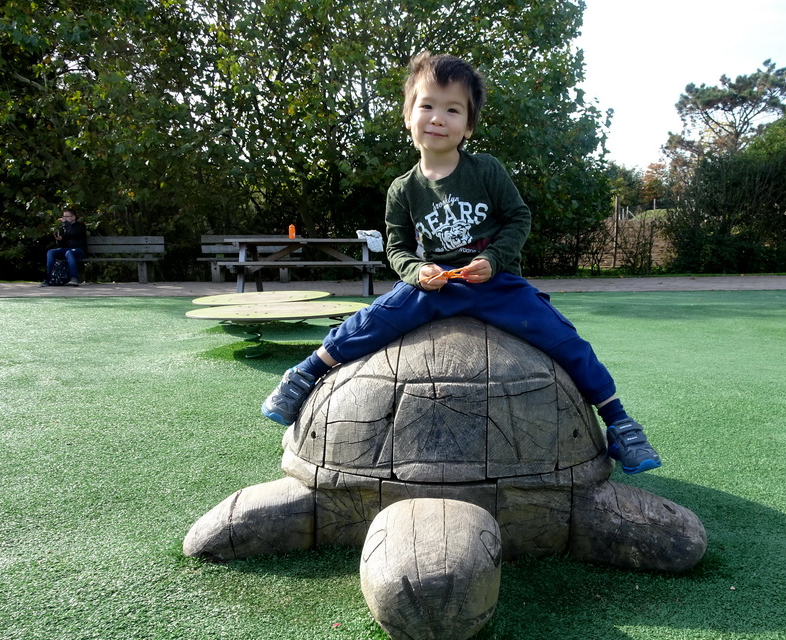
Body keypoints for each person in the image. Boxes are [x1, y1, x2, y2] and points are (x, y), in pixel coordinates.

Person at [261, 53, 661, 475]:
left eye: (453, 110)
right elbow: (397, 249)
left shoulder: (485, 170)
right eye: (428, 105)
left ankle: (619, 423)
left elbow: (518, 218)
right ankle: (303, 376)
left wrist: (492, 258)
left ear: (467, 126)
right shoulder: (403, 190)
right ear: (408, 115)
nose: (438, 117)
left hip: (496, 286)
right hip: (435, 288)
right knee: (369, 321)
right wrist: (418, 273)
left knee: (565, 339)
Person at [42, 208, 87, 286]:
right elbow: (62, 245)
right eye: (63, 216)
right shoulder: (64, 227)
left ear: (73, 217)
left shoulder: (80, 226)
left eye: (67, 216)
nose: (64, 218)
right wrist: (60, 240)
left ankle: (74, 278)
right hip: (66, 250)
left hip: (78, 251)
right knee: (51, 252)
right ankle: (49, 278)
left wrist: (66, 224)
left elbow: (73, 232)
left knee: (69, 253)